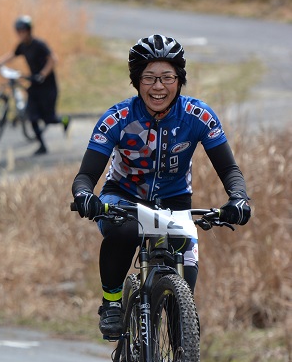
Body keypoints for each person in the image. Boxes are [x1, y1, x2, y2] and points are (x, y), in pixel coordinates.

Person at [71, 34, 251, 340]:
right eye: (149, 78)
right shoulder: (117, 118)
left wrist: (239, 198)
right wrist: (85, 195)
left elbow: (229, 169)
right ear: (136, 82)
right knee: (126, 231)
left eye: (167, 77)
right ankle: (112, 302)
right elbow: (85, 176)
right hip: (123, 196)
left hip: (175, 201)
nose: (158, 87)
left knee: (185, 299)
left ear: (179, 80)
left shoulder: (199, 116)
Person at [0, 15, 69, 155]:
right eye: (18, 31)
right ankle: (42, 146)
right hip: (34, 85)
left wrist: (43, 74)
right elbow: (12, 55)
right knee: (32, 116)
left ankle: (65, 120)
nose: (20, 33)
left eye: (22, 30)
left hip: (48, 86)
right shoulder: (22, 46)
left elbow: (53, 59)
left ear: (28, 31)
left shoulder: (39, 44)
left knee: (49, 119)